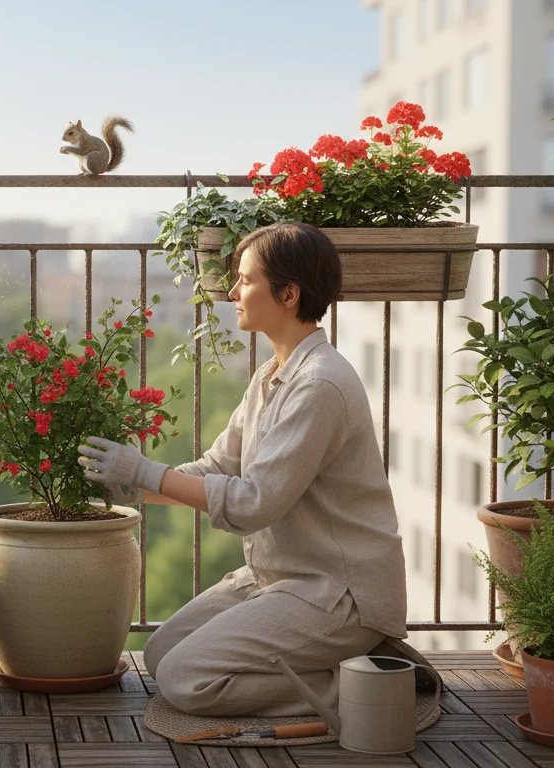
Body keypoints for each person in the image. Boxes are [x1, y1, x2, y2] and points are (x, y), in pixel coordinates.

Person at [78, 222, 407, 717]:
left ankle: (365, 686)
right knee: (162, 652)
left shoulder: (320, 386)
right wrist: (131, 484)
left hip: (339, 593)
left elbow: (254, 502)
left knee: (185, 678)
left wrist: (145, 471)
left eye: (245, 280)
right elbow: (216, 467)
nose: (231, 292)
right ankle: (347, 669)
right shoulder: (271, 374)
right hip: (278, 576)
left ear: (289, 294)